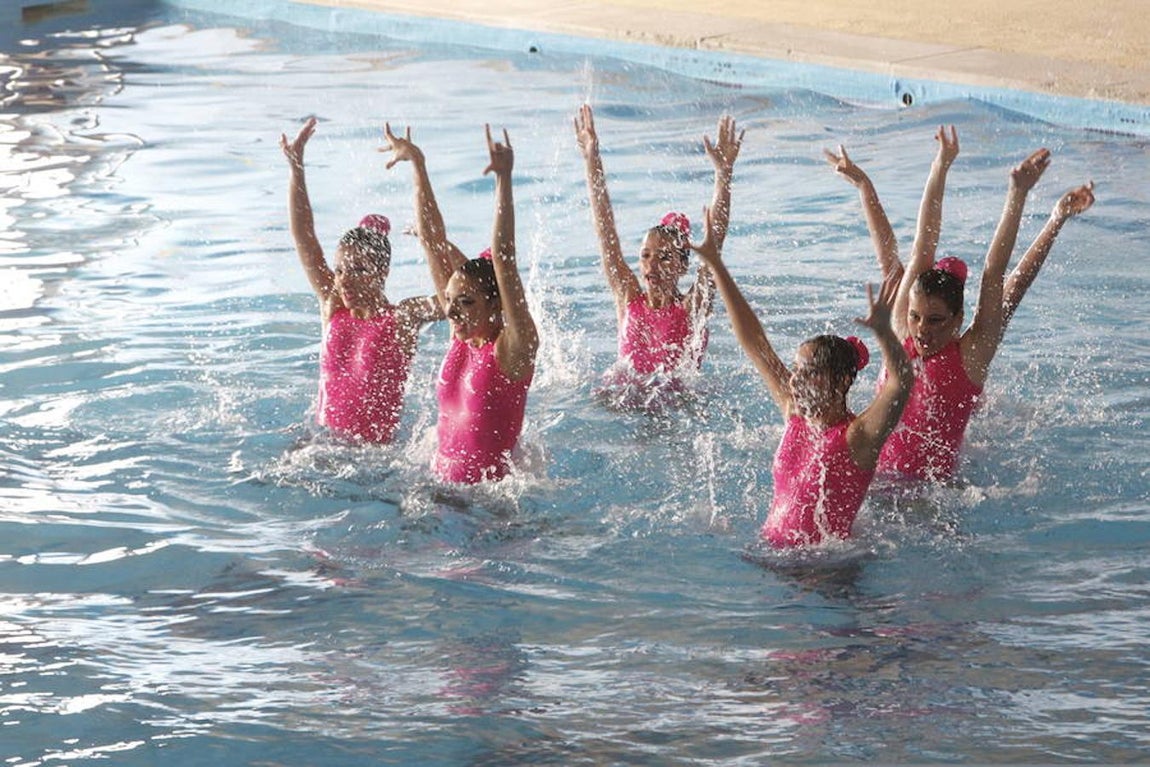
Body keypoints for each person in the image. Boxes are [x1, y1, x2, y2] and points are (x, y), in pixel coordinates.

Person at [825, 128, 1093, 481]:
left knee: (1004, 301)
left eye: (936, 321)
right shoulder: (900, 329)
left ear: (958, 319)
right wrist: (939, 165)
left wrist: (1021, 197)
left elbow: (997, 275)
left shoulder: (972, 355)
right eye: (917, 316)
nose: (922, 329)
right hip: (872, 480)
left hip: (931, 496)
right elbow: (921, 244)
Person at [692, 207, 914, 548]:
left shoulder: (858, 437)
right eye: (796, 370)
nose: (794, 380)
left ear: (840, 382)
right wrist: (717, 265)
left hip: (828, 576)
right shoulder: (795, 413)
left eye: (808, 373)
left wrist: (885, 334)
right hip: (772, 560)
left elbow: (901, 383)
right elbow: (755, 343)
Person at [384, 123, 538, 484]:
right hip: (440, 493)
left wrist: (504, 181)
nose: (450, 311)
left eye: (465, 302)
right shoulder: (461, 337)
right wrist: (418, 167)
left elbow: (504, 258)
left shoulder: (513, 351)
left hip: (489, 513)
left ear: (495, 304)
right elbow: (433, 242)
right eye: (450, 300)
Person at [280, 116, 440, 444]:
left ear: (383, 272)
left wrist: (418, 167)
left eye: (358, 270)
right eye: (339, 271)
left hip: (374, 462)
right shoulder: (333, 306)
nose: (344, 281)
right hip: (318, 444)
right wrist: (297, 169)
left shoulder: (402, 318)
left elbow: (449, 295)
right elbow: (305, 239)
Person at [574, 103, 742, 381]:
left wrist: (723, 174)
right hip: (619, 406)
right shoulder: (628, 298)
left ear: (682, 266)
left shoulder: (691, 307)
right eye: (645, 255)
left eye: (664, 258)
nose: (651, 265)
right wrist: (592, 158)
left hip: (672, 415)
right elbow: (605, 231)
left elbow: (717, 240)